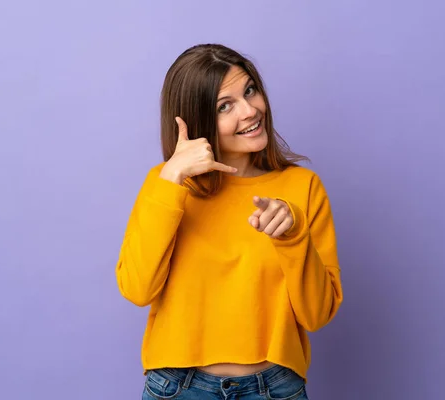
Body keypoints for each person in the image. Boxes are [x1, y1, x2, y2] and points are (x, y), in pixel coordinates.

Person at [115, 43, 343, 400]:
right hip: (177, 388)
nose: (251, 110)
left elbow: (317, 315)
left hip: (274, 389)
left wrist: (293, 235)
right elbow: (137, 289)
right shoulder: (166, 184)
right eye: (226, 106)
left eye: (250, 91)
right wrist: (172, 177)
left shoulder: (302, 188)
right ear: (196, 120)